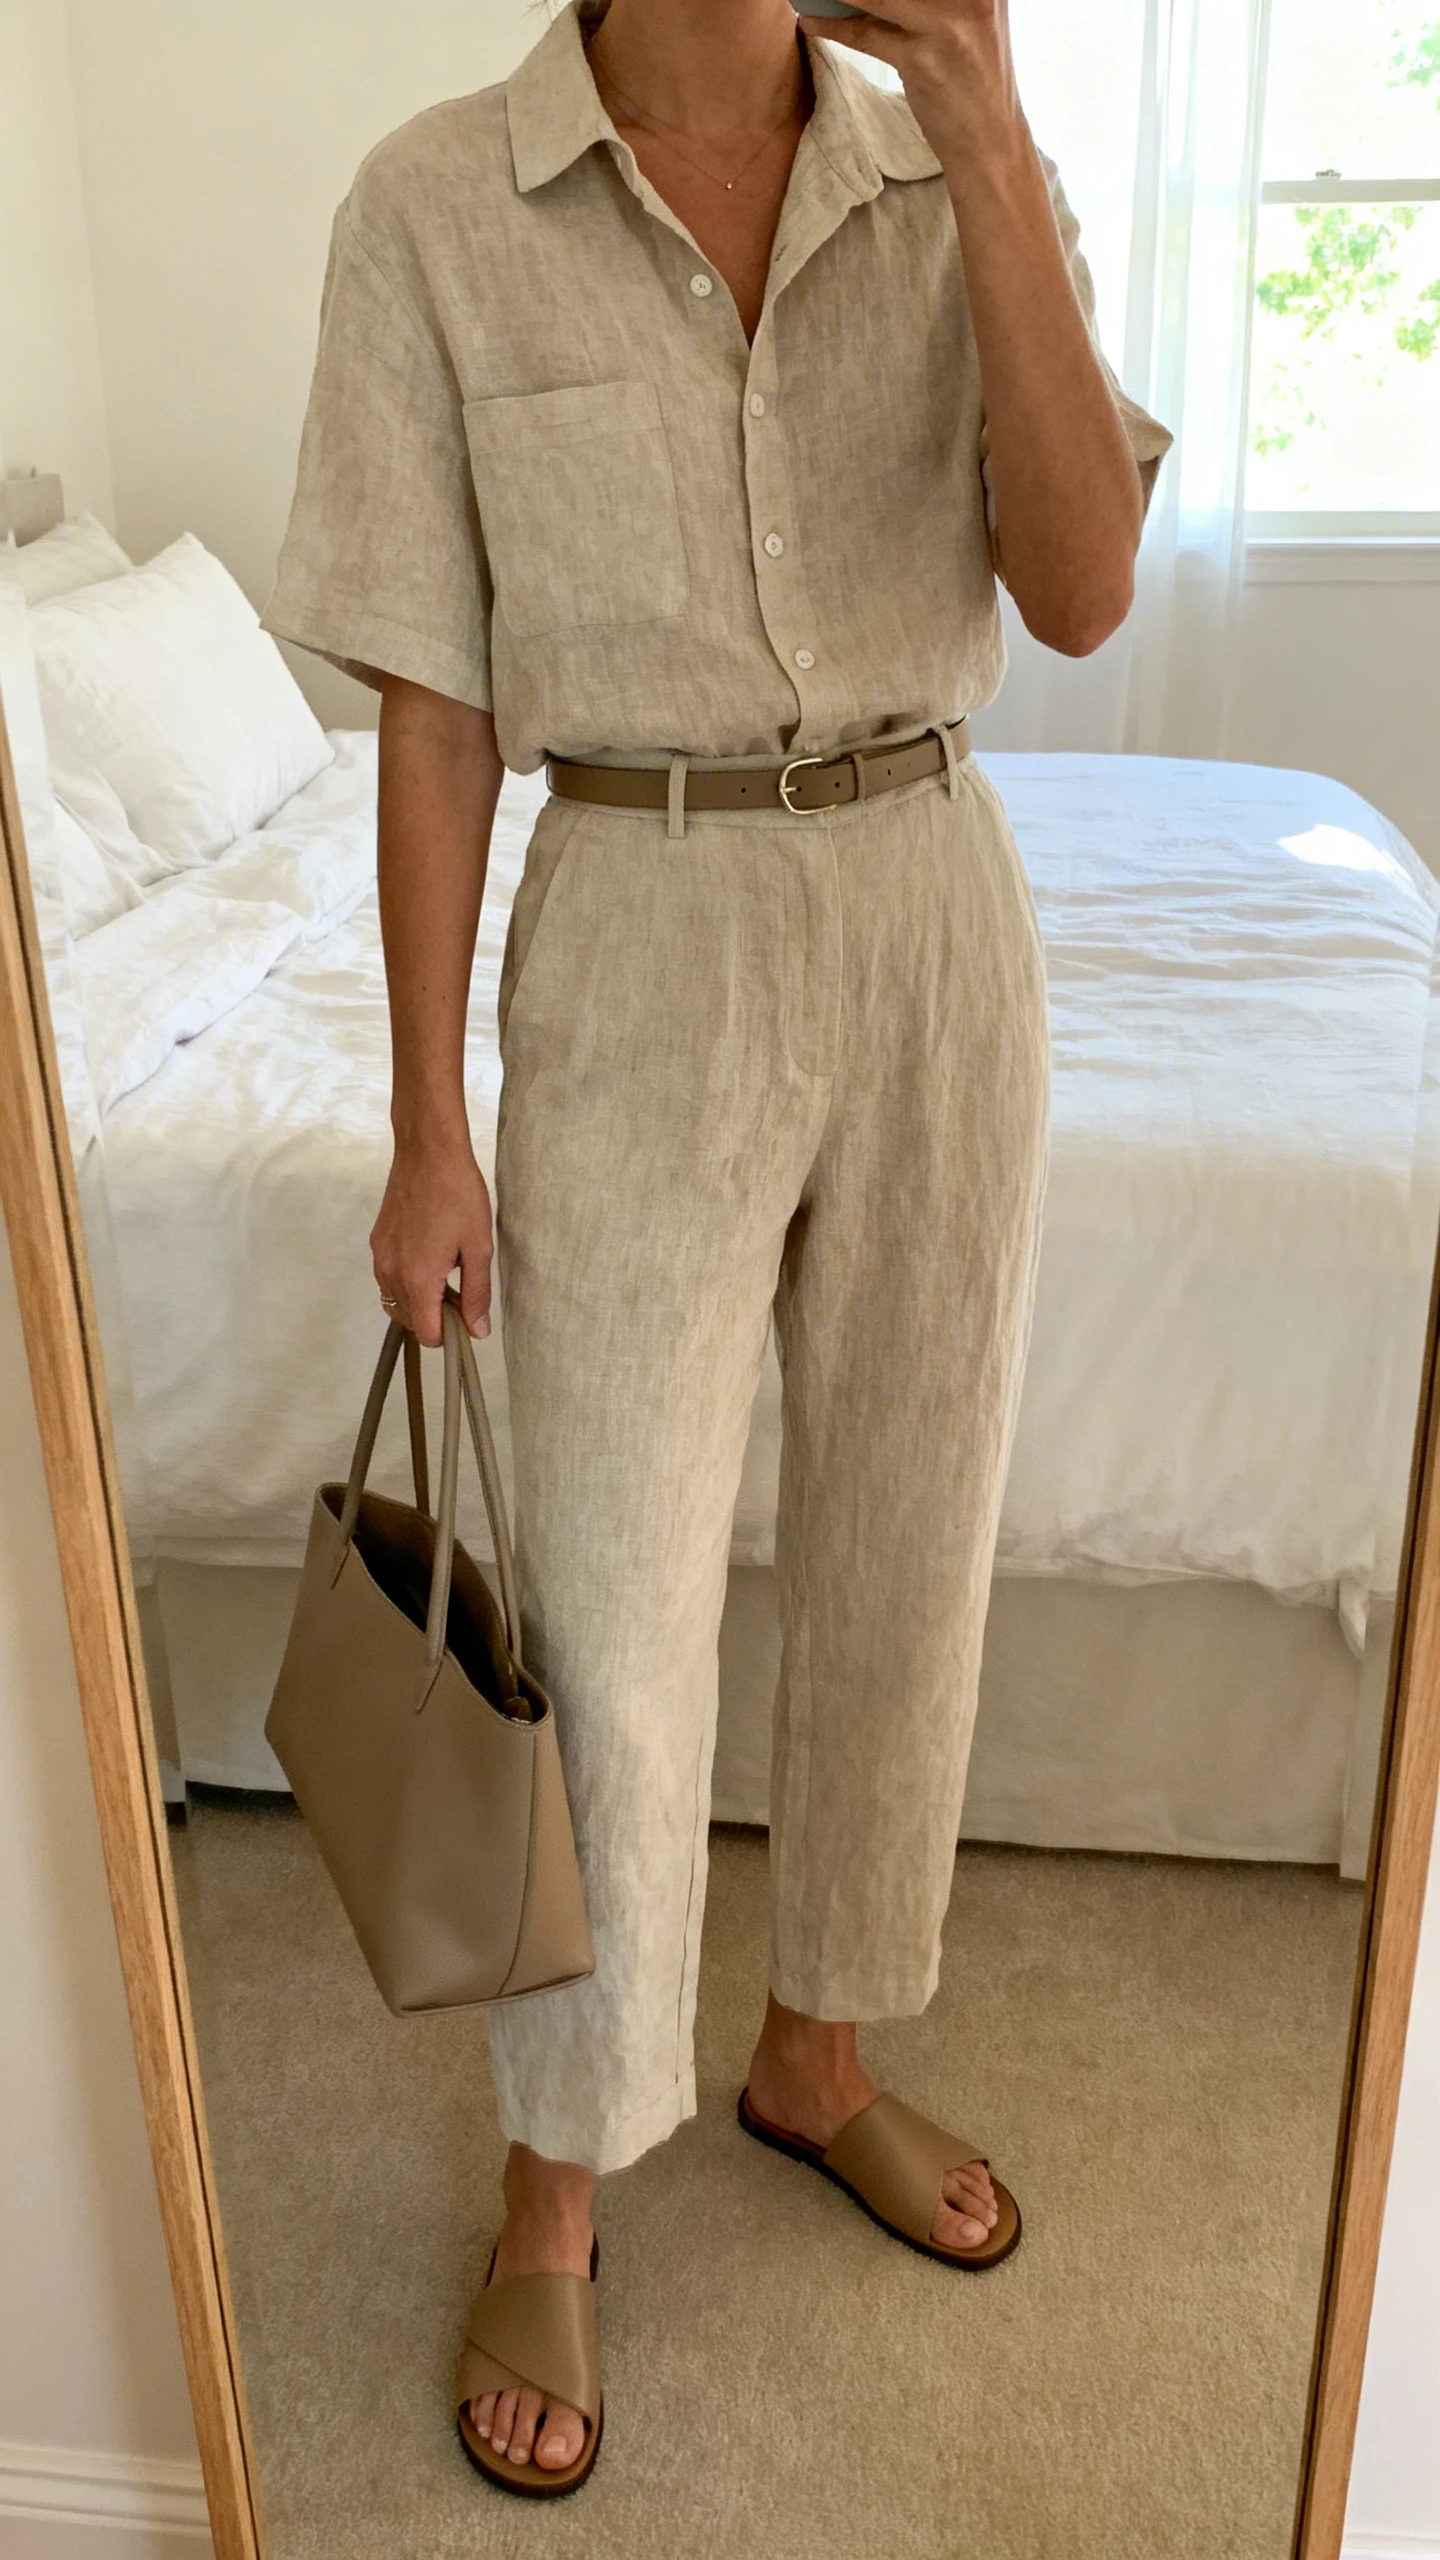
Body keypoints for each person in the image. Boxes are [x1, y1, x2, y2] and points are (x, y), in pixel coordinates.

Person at [263, 0, 1172, 2499]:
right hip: (635, 919)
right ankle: (557, 2172)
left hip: (929, 895)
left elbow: (1082, 590)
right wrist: (425, 1121)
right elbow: (432, 711)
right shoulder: (436, 204)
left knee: (907, 1542)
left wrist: (983, 126)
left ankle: (824, 2046)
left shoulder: (947, 166)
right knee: (610, 1598)